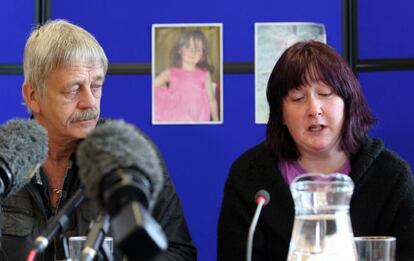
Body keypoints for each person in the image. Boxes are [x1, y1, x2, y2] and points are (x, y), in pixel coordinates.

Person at [0, 19, 197, 261]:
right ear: (33, 96)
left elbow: (178, 251)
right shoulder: (5, 158)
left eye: (96, 86)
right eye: (73, 89)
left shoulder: (126, 155)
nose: (90, 102)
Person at [217, 41, 414, 260]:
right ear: (280, 114)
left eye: (326, 93)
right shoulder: (249, 176)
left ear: (347, 103)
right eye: (298, 98)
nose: (313, 109)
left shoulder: (391, 176)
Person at [154, 29, 219, 123]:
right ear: (179, 50)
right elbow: (151, 87)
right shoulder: (170, 73)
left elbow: (212, 100)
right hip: (177, 118)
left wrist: (217, 121)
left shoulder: (204, 74)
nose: (193, 52)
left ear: (203, 55)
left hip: (198, 118)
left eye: (198, 49)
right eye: (188, 47)